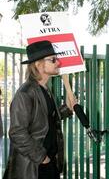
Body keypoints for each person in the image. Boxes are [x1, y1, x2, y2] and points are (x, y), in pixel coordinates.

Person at [3, 40, 74, 179]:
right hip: (34, 167)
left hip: (48, 162)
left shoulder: (44, 89)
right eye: (53, 60)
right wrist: (42, 157)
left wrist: (67, 109)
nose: (58, 62)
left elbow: (46, 117)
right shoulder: (25, 93)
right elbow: (17, 133)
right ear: (38, 64)